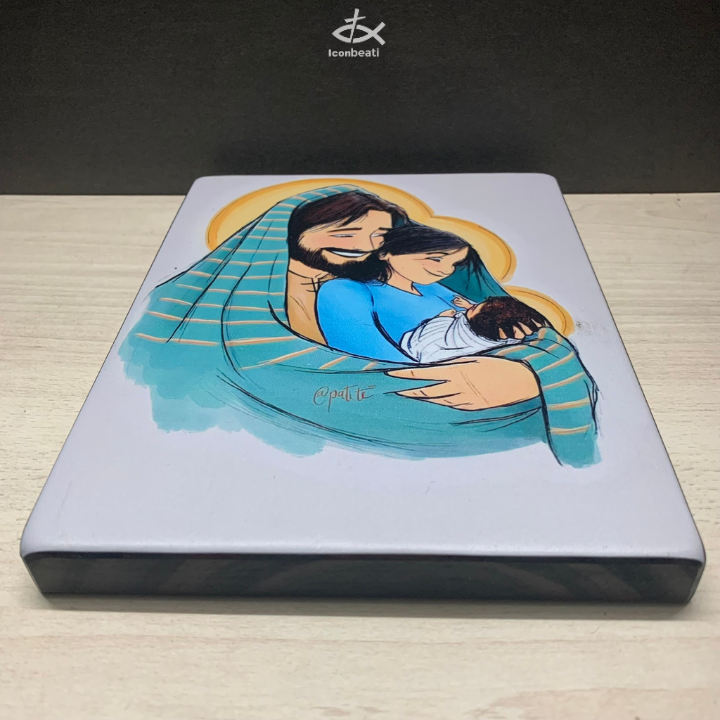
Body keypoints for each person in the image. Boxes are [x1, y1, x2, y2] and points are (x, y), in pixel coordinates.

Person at [316, 225, 548, 364]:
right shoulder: (344, 291)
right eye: (435, 258)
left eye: (454, 264)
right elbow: (373, 360)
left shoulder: (432, 287)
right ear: (386, 253)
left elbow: (488, 318)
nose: (446, 270)